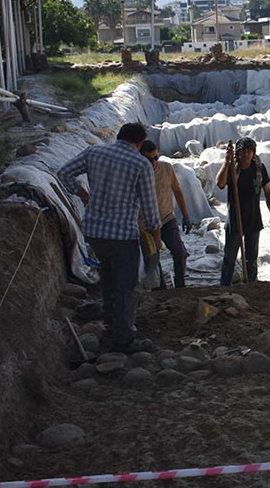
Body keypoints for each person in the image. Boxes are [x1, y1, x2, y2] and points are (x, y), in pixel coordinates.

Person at [58, 123, 161, 353]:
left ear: (119, 136)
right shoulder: (140, 164)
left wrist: (84, 195)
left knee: (109, 280)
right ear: (140, 143)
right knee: (126, 287)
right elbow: (151, 209)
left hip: (95, 233)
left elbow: (63, 173)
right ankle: (124, 340)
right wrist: (156, 236)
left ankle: (111, 327)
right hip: (123, 236)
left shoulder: (95, 152)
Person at [216, 137, 270, 286]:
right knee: (229, 258)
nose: (246, 154)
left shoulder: (259, 168)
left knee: (252, 258)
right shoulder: (232, 168)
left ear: (253, 153)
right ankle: (224, 287)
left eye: (249, 151)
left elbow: (267, 192)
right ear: (237, 153)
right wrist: (226, 162)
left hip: (253, 219)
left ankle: (252, 287)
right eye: (242, 151)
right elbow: (220, 183)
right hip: (235, 219)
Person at [138, 140, 192, 289]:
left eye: (156, 158)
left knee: (180, 252)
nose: (154, 162)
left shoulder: (166, 168)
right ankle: (160, 290)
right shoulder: (136, 173)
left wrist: (186, 216)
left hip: (166, 218)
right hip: (145, 224)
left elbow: (177, 190)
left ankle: (180, 287)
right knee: (153, 259)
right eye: (150, 160)